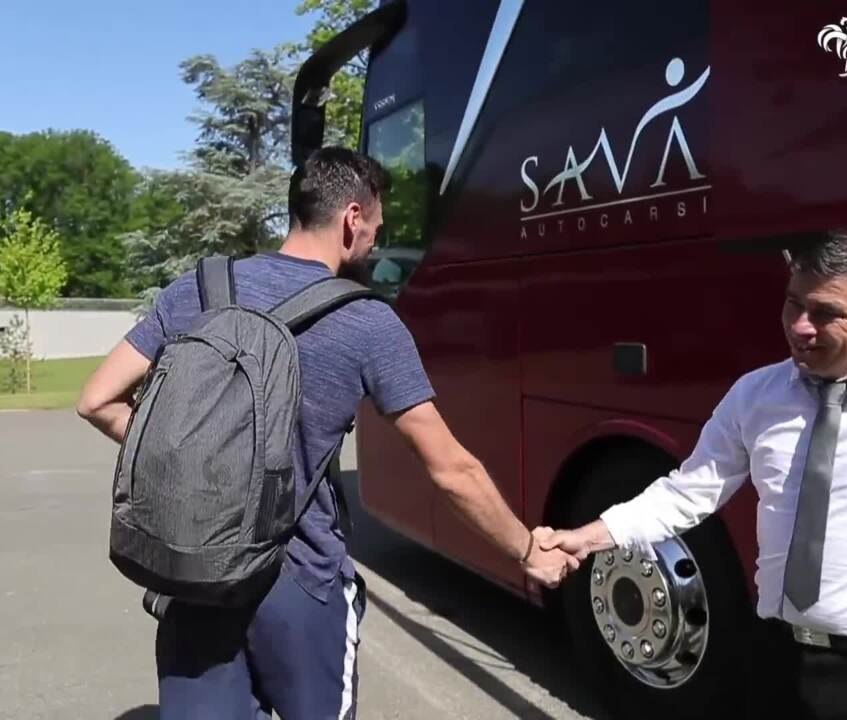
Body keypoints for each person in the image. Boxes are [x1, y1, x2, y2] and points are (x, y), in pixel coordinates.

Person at [77, 147, 579, 719]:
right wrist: (525, 551)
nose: (374, 243)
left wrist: (199, 464)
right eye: (376, 228)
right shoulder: (367, 322)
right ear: (351, 219)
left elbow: (96, 401)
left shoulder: (196, 289)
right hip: (299, 581)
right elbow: (450, 468)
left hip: (193, 564)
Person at [542, 228, 847, 718]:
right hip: (776, 658)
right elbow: (689, 492)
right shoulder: (756, 395)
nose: (799, 326)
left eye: (825, 313)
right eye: (793, 304)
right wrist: (592, 536)